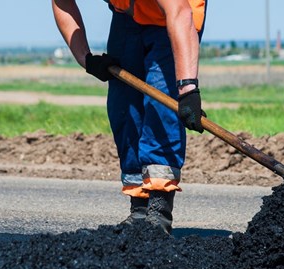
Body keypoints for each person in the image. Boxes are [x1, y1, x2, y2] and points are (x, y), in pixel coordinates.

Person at [52, 0, 207, 233]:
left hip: (174, 13)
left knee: (161, 106)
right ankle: (139, 210)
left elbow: (179, 12)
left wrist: (187, 91)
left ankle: (159, 209)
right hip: (128, 14)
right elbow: (62, 3)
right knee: (123, 107)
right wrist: (87, 59)